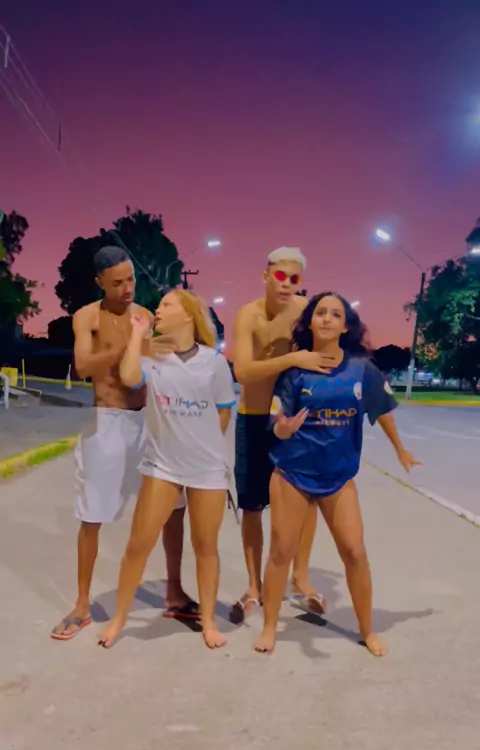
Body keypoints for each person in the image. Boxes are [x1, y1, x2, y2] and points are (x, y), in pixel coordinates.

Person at [255, 292, 421, 656]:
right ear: (311, 322)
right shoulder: (295, 369)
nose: (327, 318)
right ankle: (269, 627)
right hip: (293, 473)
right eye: (321, 313)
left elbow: (381, 409)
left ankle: (367, 631)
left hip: (338, 477)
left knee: (355, 552)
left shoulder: (361, 368)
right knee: (281, 551)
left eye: (335, 314)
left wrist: (400, 449)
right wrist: (282, 429)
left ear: (345, 326)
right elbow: (277, 420)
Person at [51, 247, 196, 641]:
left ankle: (174, 591)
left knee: (173, 506)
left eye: (130, 279)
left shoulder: (144, 315)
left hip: (148, 421)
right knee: (92, 514)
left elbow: (159, 364)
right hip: (107, 423)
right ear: (100, 282)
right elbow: (84, 366)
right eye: (117, 283)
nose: (127, 288)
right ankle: (82, 605)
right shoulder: (87, 317)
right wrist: (130, 343)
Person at [97, 289, 236, 650]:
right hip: (163, 465)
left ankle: (208, 622)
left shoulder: (214, 362)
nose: (157, 310)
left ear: (188, 314)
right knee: (138, 545)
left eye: (166, 305)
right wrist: (137, 336)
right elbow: (129, 377)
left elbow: (224, 409)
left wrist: (204, 442)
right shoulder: (152, 354)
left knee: (206, 546)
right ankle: (119, 619)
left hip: (207, 469)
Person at [231, 247, 335, 622]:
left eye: (294, 278)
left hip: (295, 419)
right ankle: (254, 586)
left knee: (305, 501)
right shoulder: (249, 315)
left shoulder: (307, 311)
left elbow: (328, 352)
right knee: (252, 505)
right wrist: (293, 358)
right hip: (254, 417)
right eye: (280, 276)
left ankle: (300, 578)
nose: (287, 284)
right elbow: (243, 371)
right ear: (265, 276)